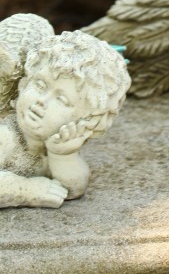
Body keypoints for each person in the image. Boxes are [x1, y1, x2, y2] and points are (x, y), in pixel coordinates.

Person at [0, 29, 130, 208]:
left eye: (61, 99)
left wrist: (62, 156)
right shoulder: (6, 136)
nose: (41, 101)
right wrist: (25, 190)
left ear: (88, 119)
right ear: (24, 84)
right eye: (40, 85)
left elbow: (72, 189)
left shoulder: (55, 143)